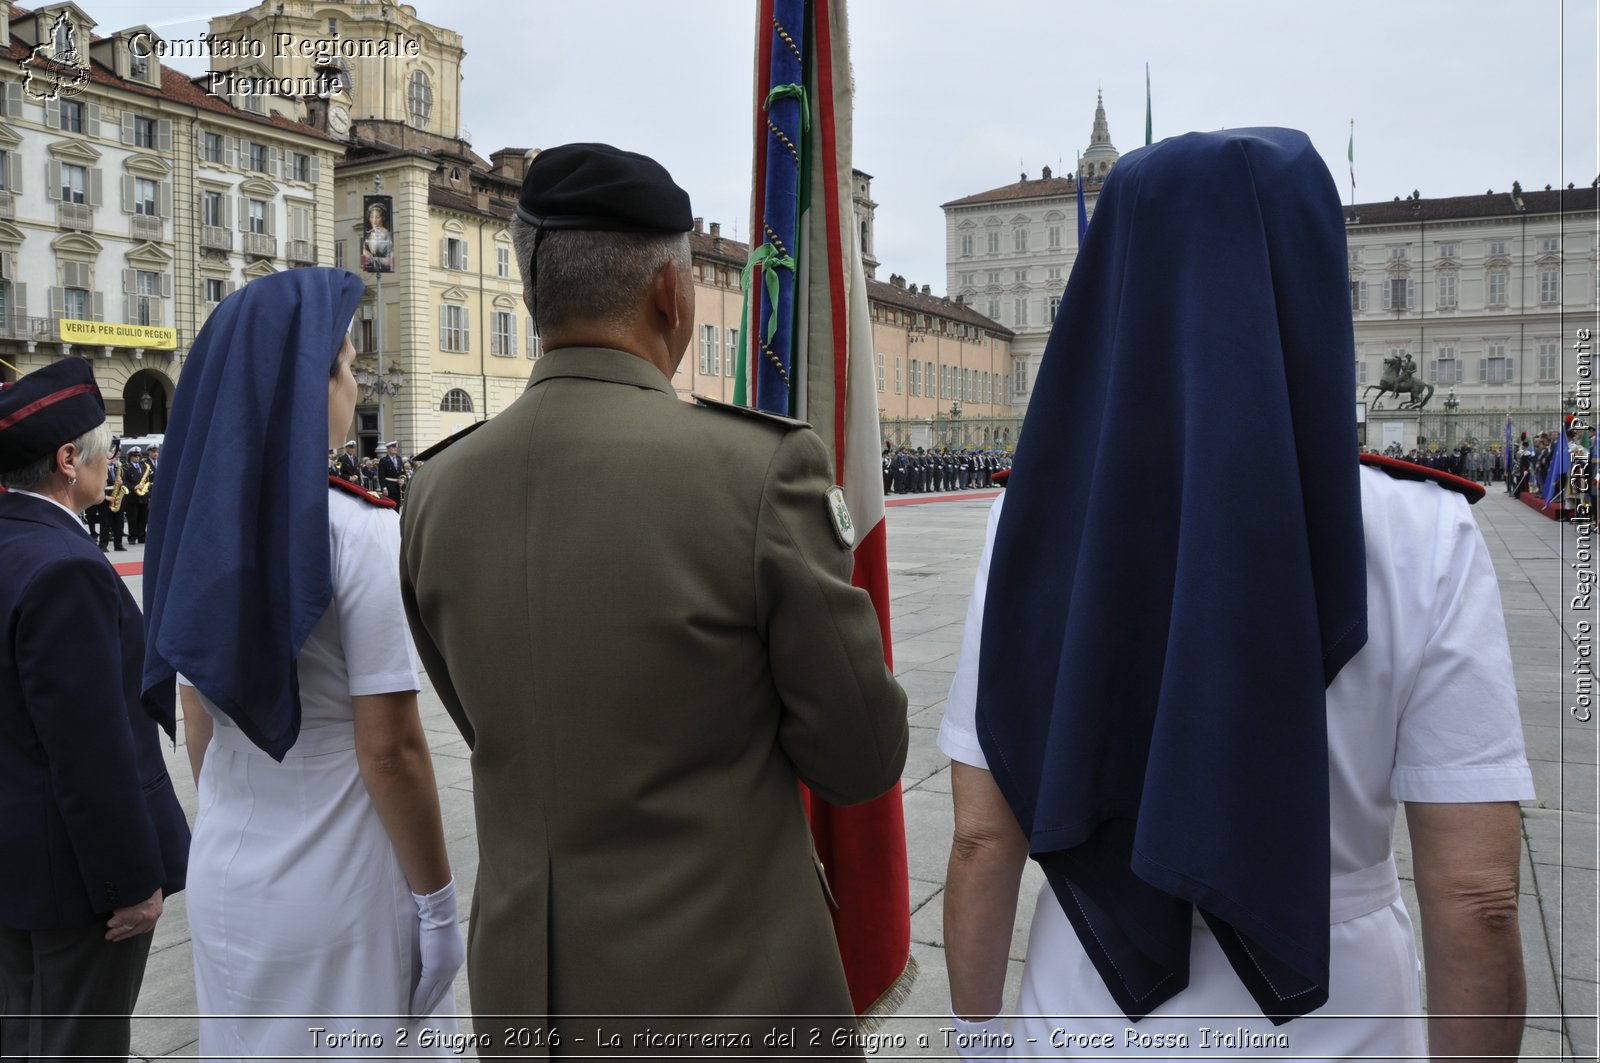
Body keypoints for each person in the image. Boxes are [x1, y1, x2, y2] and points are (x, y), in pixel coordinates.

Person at [940, 129, 1532, 1059]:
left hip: (1085, 1014)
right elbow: (1478, 897)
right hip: (1341, 1023)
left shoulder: (1034, 526)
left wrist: (973, 1041)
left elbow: (982, 839)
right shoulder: (1426, 532)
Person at [399, 142, 908, 1053]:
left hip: (527, 998)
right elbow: (861, 756)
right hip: (724, 993)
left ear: (530, 298)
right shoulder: (757, 470)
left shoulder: (436, 488)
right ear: (672, 295)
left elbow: (483, 720)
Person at [140, 269, 463, 1058]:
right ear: (310, 382)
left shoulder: (197, 524)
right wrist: (438, 902)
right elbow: (390, 747)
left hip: (230, 866)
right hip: (340, 878)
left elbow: (197, 709)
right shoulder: (358, 530)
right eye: (347, 366)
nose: (353, 386)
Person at [0, 359, 189, 1060]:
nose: (112, 464)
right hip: (73, 887)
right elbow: (90, 750)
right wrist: (131, 881)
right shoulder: (65, 567)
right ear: (65, 460)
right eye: (105, 452)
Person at [122, 445, 152, 544]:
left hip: (143, 496)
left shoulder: (144, 466)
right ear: (130, 456)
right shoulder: (126, 467)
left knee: (143, 518)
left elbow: (147, 479)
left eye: (138, 456)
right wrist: (133, 487)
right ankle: (132, 537)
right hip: (132, 497)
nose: (137, 458)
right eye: (135, 456)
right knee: (133, 518)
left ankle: (142, 536)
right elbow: (124, 481)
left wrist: (146, 486)